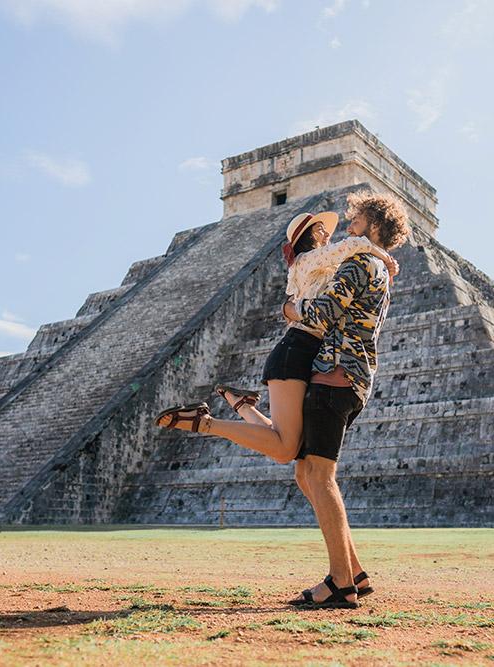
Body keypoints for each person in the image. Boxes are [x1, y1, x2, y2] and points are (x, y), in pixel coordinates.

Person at [156, 192, 411, 609]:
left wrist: (290, 309)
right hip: (345, 375)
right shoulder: (371, 264)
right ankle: (355, 573)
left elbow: (321, 314)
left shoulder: (360, 262)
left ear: (376, 225)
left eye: (357, 220)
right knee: (305, 474)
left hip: (333, 376)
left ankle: (340, 583)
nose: (348, 228)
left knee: (318, 475)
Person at [153, 206, 398, 466]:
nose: (329, 232)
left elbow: (351, 266)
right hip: (297, 349)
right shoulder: (307, 260)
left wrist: (379, 264)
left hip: (315, 354)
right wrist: (382, 255)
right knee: (285, 449)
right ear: (313, 233)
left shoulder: (326, 264)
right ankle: (203, 421)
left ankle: (241, 405)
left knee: (288, 446)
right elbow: (352, 246)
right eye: (321, 228)